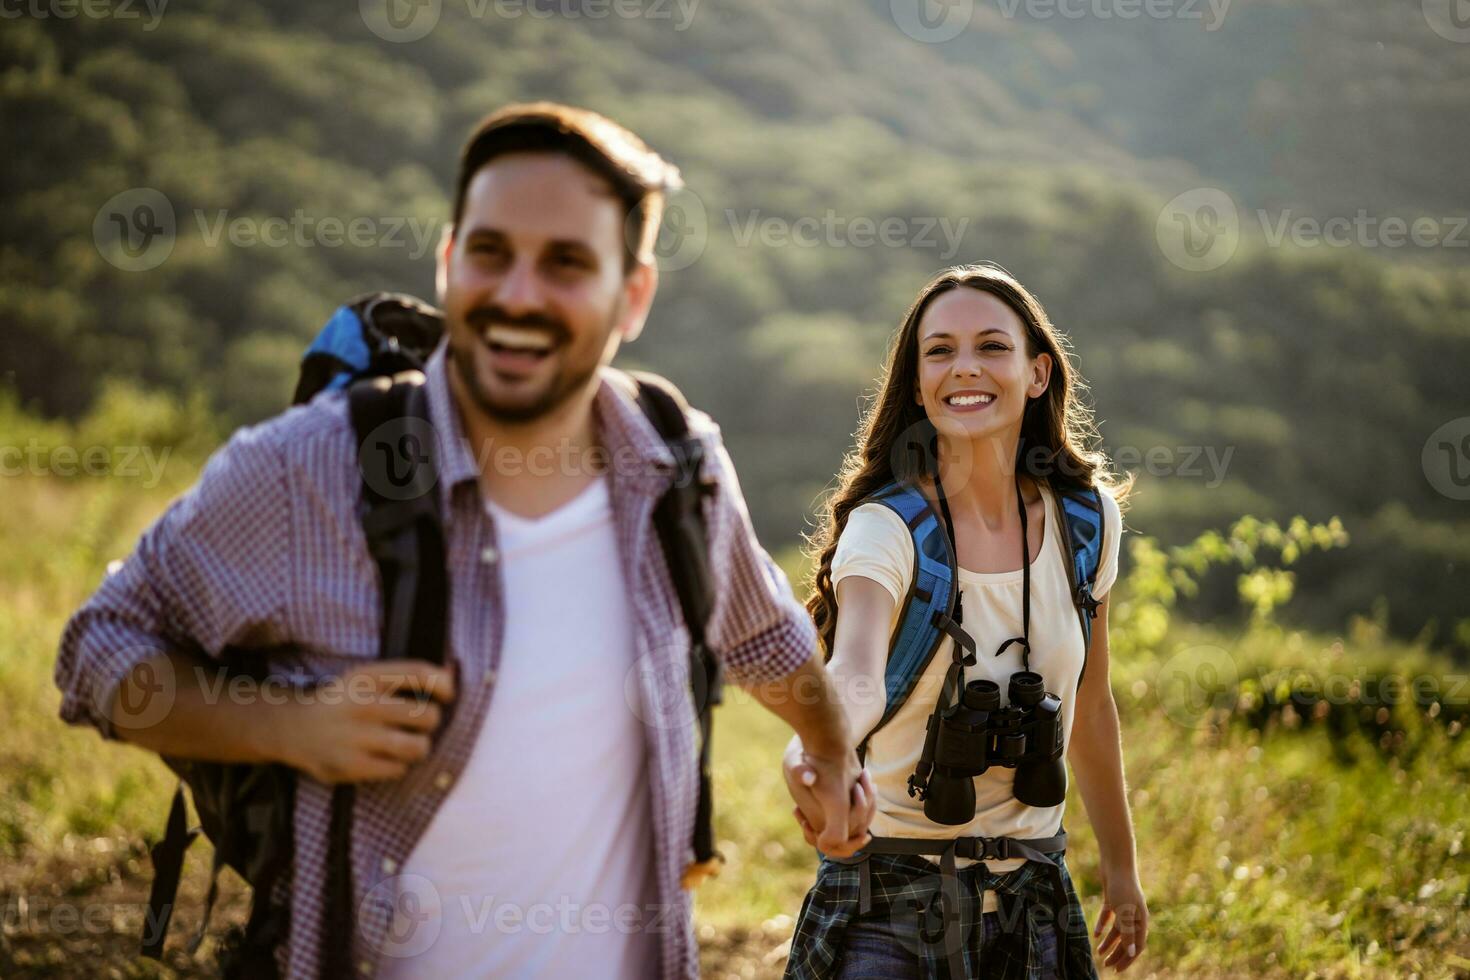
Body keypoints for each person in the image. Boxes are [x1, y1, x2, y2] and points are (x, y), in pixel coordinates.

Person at [54, 102, 874, 980]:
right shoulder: (310, 468)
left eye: (566, 263)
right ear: (449, 261)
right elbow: (95, 651)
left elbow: (760, 637)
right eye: (491, 253)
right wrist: (289, 727)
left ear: (632, 295)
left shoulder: (677, 464)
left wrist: (828, 749)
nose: (518, 294)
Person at [781, 264, 1149, 978]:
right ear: (917, 384)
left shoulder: (1087, 520)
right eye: (940, 351)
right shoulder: (886, 529)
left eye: (992, 347)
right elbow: (853, 670)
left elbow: (1093, 707)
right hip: (888, 901)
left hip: (1035, 897)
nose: (965, 369)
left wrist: (1122, 869)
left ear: (1038, 372)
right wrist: (817, 751)